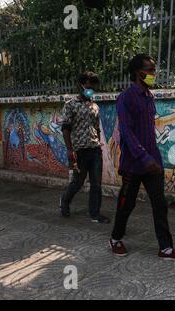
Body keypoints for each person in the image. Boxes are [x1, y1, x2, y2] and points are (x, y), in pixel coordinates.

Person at [109, 54, 175, 262]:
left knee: (159, 204)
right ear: (138, 72)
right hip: (133, 163)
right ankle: (116, 238)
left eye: (155, 70)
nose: (154, 74)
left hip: (153, 162)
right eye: (150, 70)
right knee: (127, 203)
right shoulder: (126, 98)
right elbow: (126, 132)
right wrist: (144, 158)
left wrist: (154, 157)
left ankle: (166, 248)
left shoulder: (149, 96)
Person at [59, 71, 110, 224]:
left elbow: (97, 128)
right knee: (78, 182)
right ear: (80, 85)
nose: (91, 89)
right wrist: (70, 150)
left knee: (97, 183)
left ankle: (95, 214)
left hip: (94, 150)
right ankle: (65, 201)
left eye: (93, 87)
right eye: (88, 86)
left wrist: (99, 143)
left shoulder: (95, 106)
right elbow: (66, 128)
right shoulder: (70, 105)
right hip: (79, 150)